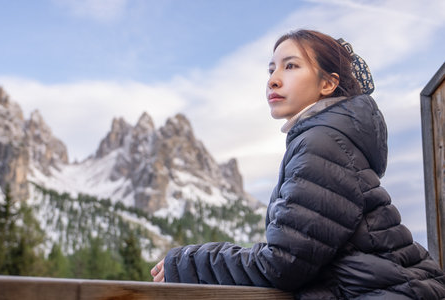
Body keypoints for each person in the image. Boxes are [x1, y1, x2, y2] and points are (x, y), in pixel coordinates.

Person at [151, 29, 445, 299]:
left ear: (328, 83)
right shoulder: (325, 138)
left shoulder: (321, 143)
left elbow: (284, 264)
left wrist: (188, 261)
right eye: (271, 69)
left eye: (290, 66)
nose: (273, 79)